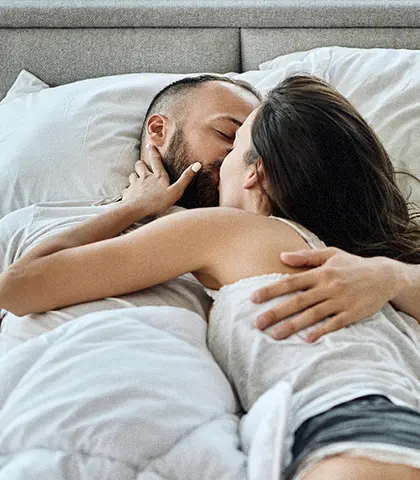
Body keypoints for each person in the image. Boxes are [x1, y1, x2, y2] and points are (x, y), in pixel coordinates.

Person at [2, 75, 420, 480]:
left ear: (255, 172)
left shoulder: (225, 230)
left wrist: (133, 208)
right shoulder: (349, 261)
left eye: (235, 146)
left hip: (358, 431)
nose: (222, 166)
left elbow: (19, 287)